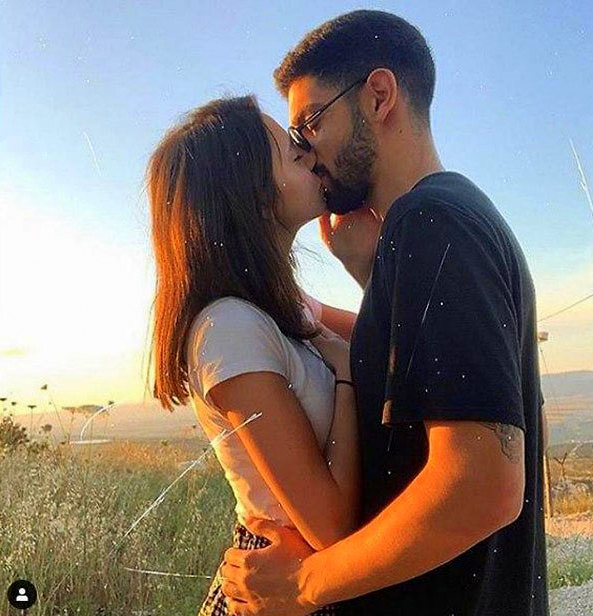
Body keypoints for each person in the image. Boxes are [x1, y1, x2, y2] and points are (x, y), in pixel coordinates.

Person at [219, 9, 549, 616]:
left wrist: (304, 584)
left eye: (311, 123)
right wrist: (370, 275)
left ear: (378, 96)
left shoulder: (432, 222)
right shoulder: (448, 219)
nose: (306, 152)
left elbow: (485, 484)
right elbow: (501, 416)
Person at [145, 96, 363, 615]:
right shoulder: (230, 329)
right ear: (251, 193)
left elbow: (383, 341)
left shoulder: (282, 305)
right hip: (281, 584)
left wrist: (363, 265)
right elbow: (331, 526)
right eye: (290, 151)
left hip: (313, 580)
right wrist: (346, 378)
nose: (308, 153)